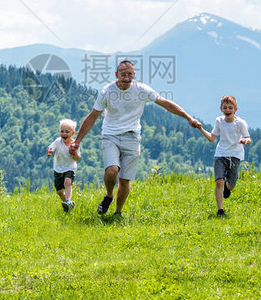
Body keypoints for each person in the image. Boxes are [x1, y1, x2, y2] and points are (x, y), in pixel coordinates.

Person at [69, 60, 202, 215]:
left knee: (125, 180)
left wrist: (188, 118)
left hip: (132, 137)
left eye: (130, 74)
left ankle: (117, 213)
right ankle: (109, 195)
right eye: (123, 74)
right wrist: (77, 141)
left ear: (134, 74)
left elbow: (165, 104)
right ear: (116, 74)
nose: (126, 77)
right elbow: (92, 116)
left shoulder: (141, 89)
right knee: (112, 170)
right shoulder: (106, 91)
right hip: (110, 135)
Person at [198, 95, 251, 217]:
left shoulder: (240, 123)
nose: (227, 110)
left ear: (235, 109)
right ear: (221, 108)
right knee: (218, 182)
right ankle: (220, 210)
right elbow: (212, 138)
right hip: (220, 155)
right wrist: (200, 128)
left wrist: (245, 141)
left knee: (231, 185)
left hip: (235, 155)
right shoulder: (219, 121)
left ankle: (227, 188)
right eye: (225, 107)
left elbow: (248, 138)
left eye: (230, 108)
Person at [47, 118, 80, 212]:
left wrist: (75, 154)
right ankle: (67, 205)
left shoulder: (75, 144)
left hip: (70, 167)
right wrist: (49, 152)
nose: (64, 134)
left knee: (67, 182)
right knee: (59, 191)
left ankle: (68, 201)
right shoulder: (58, 141)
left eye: (67, 132)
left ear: (73, 133)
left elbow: (78, 158)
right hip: (58, 168)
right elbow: (51, 148)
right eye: (62, 131)